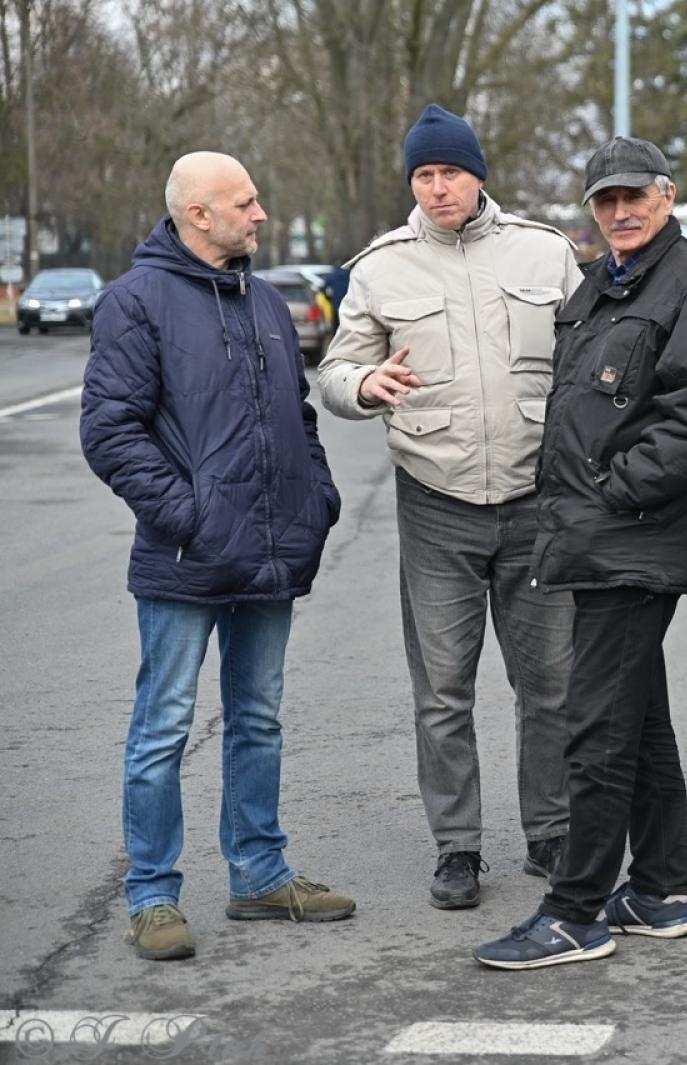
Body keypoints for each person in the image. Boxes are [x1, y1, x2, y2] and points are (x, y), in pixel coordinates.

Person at [474, 137, 687, 970]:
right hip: (594, 535)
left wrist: (619, 488)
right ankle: (660, 890)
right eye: (604, 200)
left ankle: (575, 909)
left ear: (667, 197)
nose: (620, 211)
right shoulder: (602, 285)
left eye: (634, 196)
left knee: (593, 725)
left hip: (628, 536)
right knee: (641, 719)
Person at [81, 151, 355, 961]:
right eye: (247, 202)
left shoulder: (266, 300)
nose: (261, 214)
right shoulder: (134, 303)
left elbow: (296, 415)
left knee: (258, 717)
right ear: (199, 214)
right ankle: (153, 895)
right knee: (163, 725)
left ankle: (260, 874)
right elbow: (110, 431)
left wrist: (318, 495)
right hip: (186, 556)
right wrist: (188, 515)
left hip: (270, 552)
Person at [318, 104, 580, 911]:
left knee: (551, 683)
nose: (438, 188)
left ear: (479, 175)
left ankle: (552, 830)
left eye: (451, 172)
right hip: (437, 502)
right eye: (424, 175)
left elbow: (595, 346)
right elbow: (334, 369)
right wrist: (364, 385)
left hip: (539, 500)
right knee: (443, 690)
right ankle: (458, 847)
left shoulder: (546, 251)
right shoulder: (380, 268)